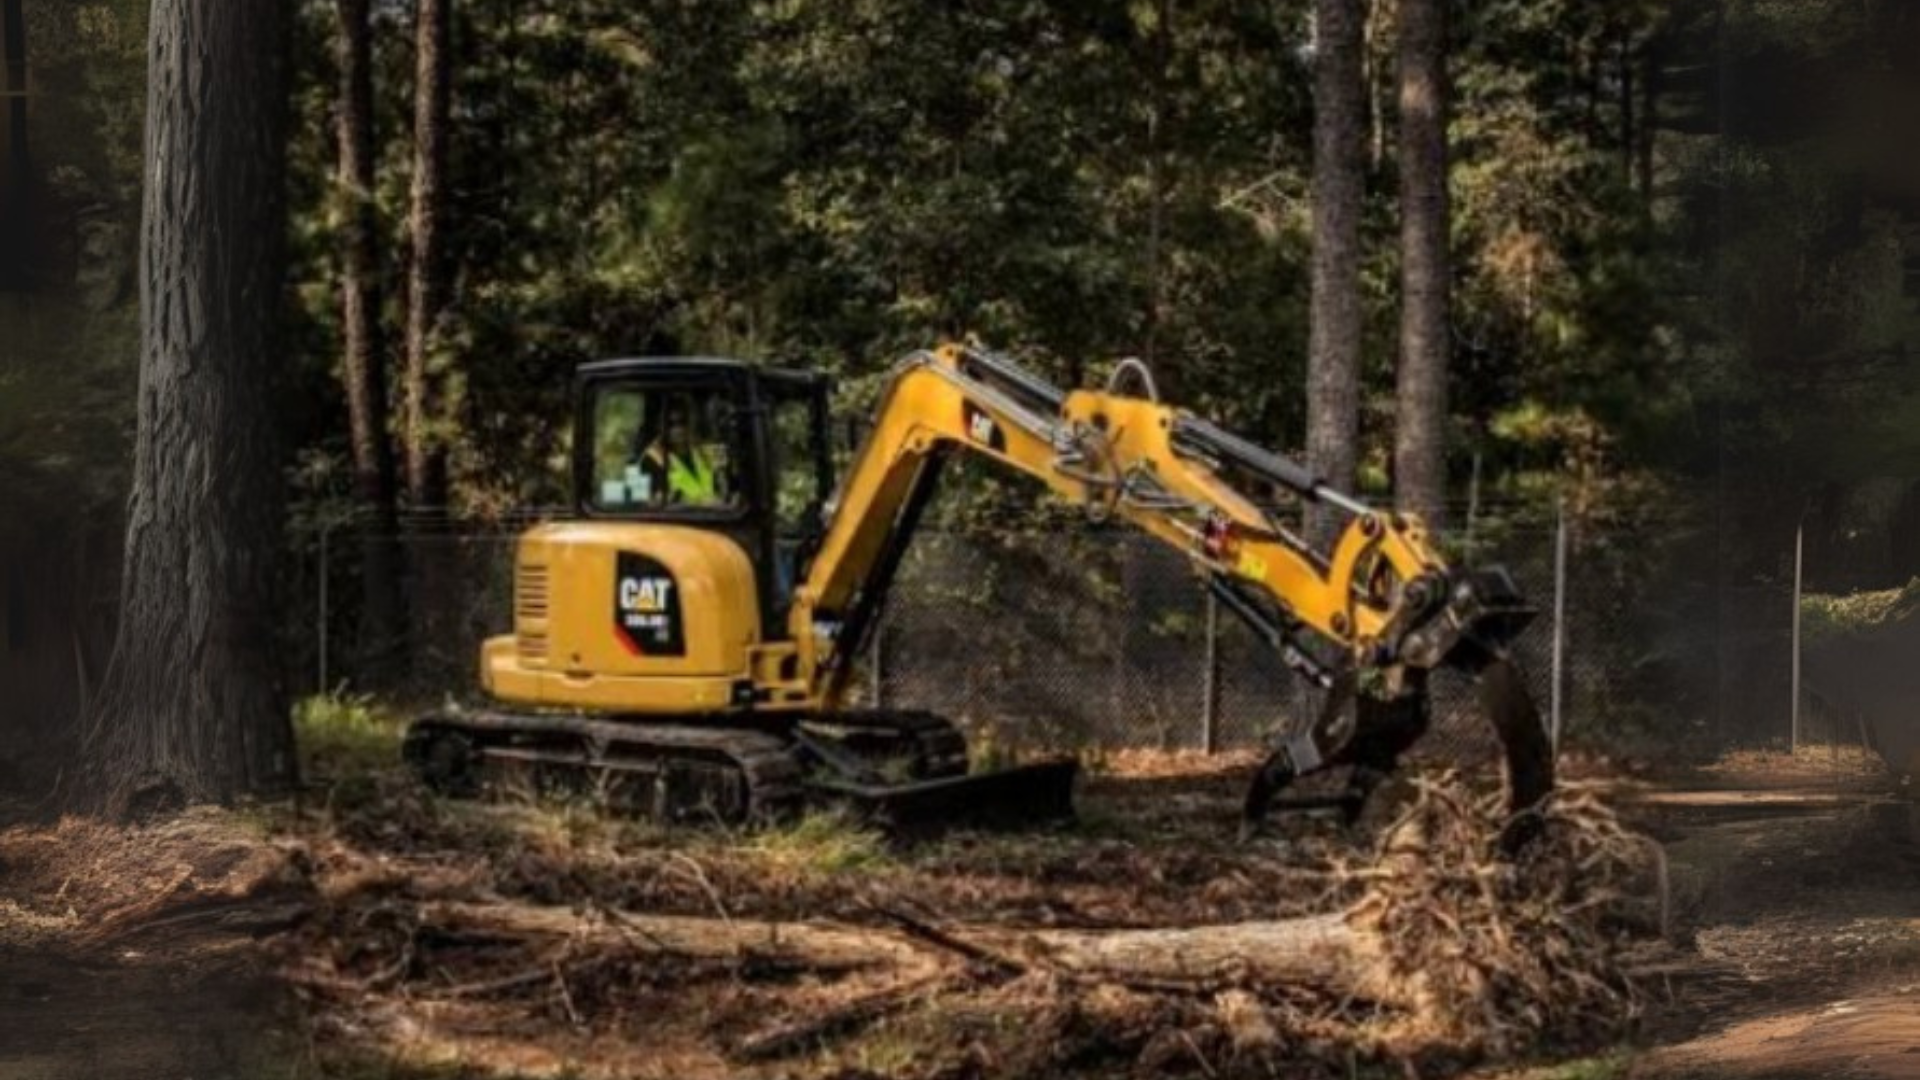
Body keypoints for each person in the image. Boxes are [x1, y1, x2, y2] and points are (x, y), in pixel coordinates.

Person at [640, 396, 724, 505]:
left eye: (682, 422)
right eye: (670, 424)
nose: (677, 429)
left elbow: (724, 488)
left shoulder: (706, 450)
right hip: (683, 515)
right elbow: (654, 502)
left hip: (718, 513)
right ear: (661, 426)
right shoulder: (652, 458)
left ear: (691, 422)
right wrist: (698, 503)